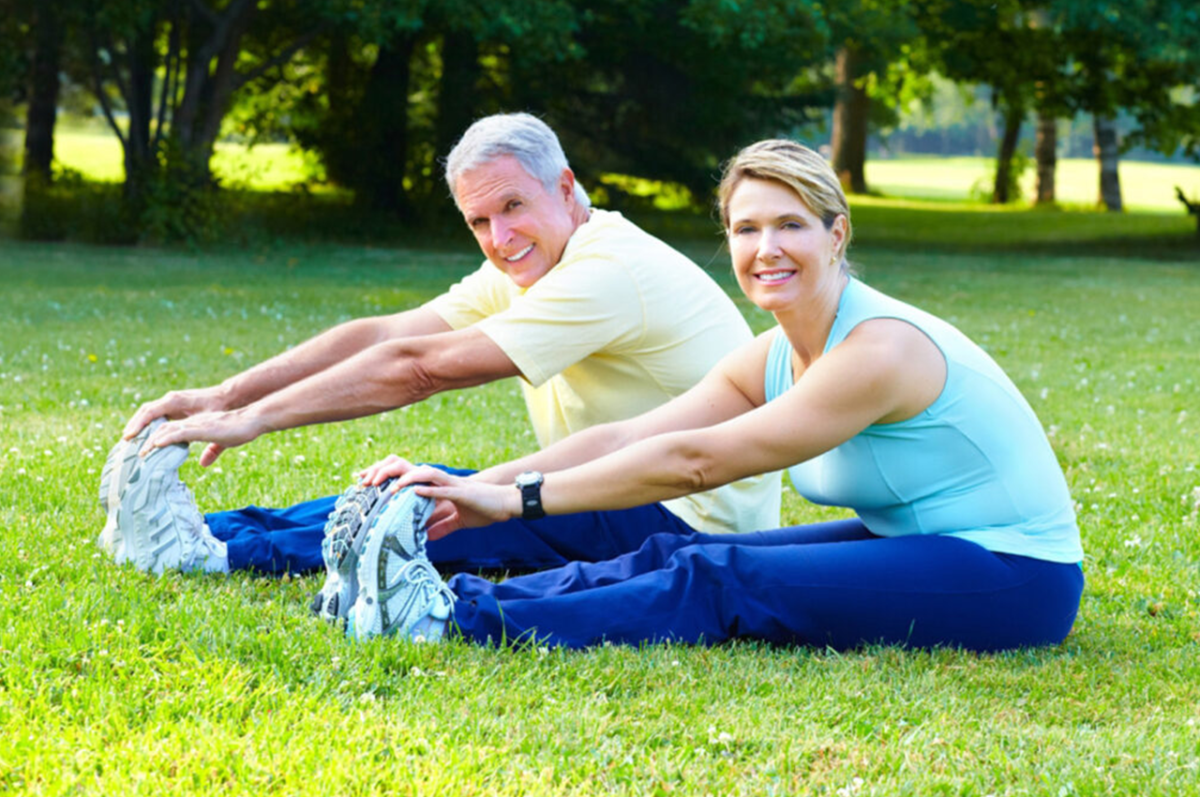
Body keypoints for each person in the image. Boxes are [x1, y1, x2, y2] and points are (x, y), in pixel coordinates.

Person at [346, 138, 1085, 652]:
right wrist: (472, 485)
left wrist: (512, 502)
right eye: (746, 228)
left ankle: (450, 617)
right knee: (678, 550)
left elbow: (698, 461)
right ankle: (421, 599)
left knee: (722, 576)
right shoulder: (774, 353)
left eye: (790, 225)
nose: (766, 248)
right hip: (921, 543)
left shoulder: (878, 350)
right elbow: (627, 437)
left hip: (1012, 575)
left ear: (837, 234)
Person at [100, 113, 780, 610]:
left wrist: (252, 419)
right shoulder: (539, 259)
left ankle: (214, 555)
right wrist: (223, 394)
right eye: (479, 222)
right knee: (423, 489)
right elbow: (387, 333)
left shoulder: (607, 272)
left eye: (513, 207)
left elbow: (419, 367)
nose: (500, 237)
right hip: (607, 485)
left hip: (685, 522)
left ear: (566, 186)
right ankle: (207, 532)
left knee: (439, 502)